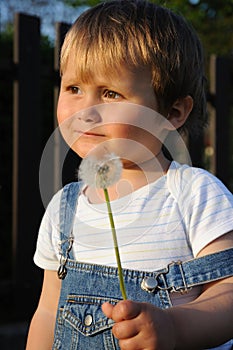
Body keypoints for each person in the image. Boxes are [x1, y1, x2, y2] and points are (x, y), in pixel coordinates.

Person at [26, 1, 233, 349]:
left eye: (110, 93)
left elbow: (228, 293)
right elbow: (48, 310)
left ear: (173, 111)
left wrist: (174, 327)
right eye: (73, 88)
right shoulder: (65, 209)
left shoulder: (194, 194)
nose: (85, 112)